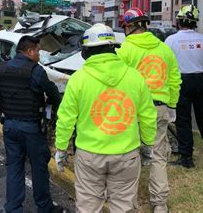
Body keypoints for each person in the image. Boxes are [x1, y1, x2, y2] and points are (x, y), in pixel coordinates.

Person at [55, 24, 157, 212]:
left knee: (88, 207)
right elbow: (148, 116)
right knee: (124, 206)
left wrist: (61, 148)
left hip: (89, 155)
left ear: (87, 51)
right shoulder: (135, 77)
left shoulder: (78, 79)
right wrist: (148, 145)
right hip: (127, 154)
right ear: (113, 48)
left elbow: (66, 118)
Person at [0, 36, 63, 213]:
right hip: (32, 129)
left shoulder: (1, 68)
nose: (39, 55)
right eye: (38, 51)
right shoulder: (36, 71)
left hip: (10, 127)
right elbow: (55, 95)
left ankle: (13, 208)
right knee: (39, 168)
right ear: (30, 51)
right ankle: (44, 207)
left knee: (14, 168)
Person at [117, 8, 181, 213]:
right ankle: (160, 204)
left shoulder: (124, 50)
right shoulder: (164, 49)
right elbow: (174, 80)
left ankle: (128, 203)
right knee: (159, 156)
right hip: (160, 109)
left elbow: (117, 82)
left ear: (129, 26)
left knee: (129, 156)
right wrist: (172, 105)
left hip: (133, 111)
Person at [165, 5, 203, 168]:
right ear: (194, 23)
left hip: (180, 82)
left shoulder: (171, 40)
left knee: (183, 120)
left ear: (179, 21)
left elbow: (165, 65)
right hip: (199, 81)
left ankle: (186, 157)